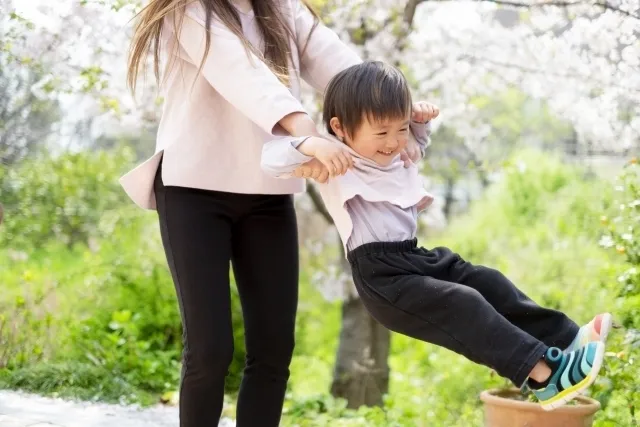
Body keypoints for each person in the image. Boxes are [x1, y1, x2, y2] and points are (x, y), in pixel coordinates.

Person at [121, 1, 427, 426]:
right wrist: (309, 134)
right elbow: (241, 72)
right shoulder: (186, 9)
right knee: (210, 350)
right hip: (193, 189)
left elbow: (335, 61)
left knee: (273, 349)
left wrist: (398, 116)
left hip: (267, 194)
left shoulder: (281, 9)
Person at [261, 60, 613, 411]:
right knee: (464, 303)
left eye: (399, 130)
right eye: (382, 133)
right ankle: (545, 377)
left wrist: (414, 120)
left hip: (414, 257)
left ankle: (566, 339)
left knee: (485, 282)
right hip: (382, 277)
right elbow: (271, 159)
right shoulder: (335, 162)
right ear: (340, 128)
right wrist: (312, 146)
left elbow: (413, 136)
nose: (393, 143)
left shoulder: (401, 150)